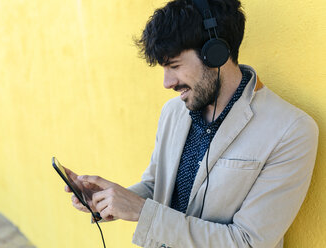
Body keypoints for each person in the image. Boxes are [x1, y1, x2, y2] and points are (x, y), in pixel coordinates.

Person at [64, 0, 319, 247]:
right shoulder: (173, 112)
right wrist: (110, 200)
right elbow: (158, 186)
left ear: (215, 53)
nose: (167, 83)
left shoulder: (292, 130)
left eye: (174, 66)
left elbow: (248, 242)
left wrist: (142, 211)